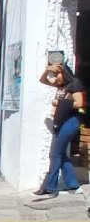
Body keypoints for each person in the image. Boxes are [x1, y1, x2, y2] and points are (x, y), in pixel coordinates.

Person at [34, 62, 86, 197]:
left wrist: (59, 103)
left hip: (70, 121)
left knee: (54, 154)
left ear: (64, 73)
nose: (55, 78)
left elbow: (80, 103)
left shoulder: (74, 83)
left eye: (57, 74)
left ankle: (49, 186)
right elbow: (42, 80)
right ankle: (73, 185)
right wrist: (47, 70)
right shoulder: (61, 85)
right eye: (54, 75)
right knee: (61, 155)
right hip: (60, 121)